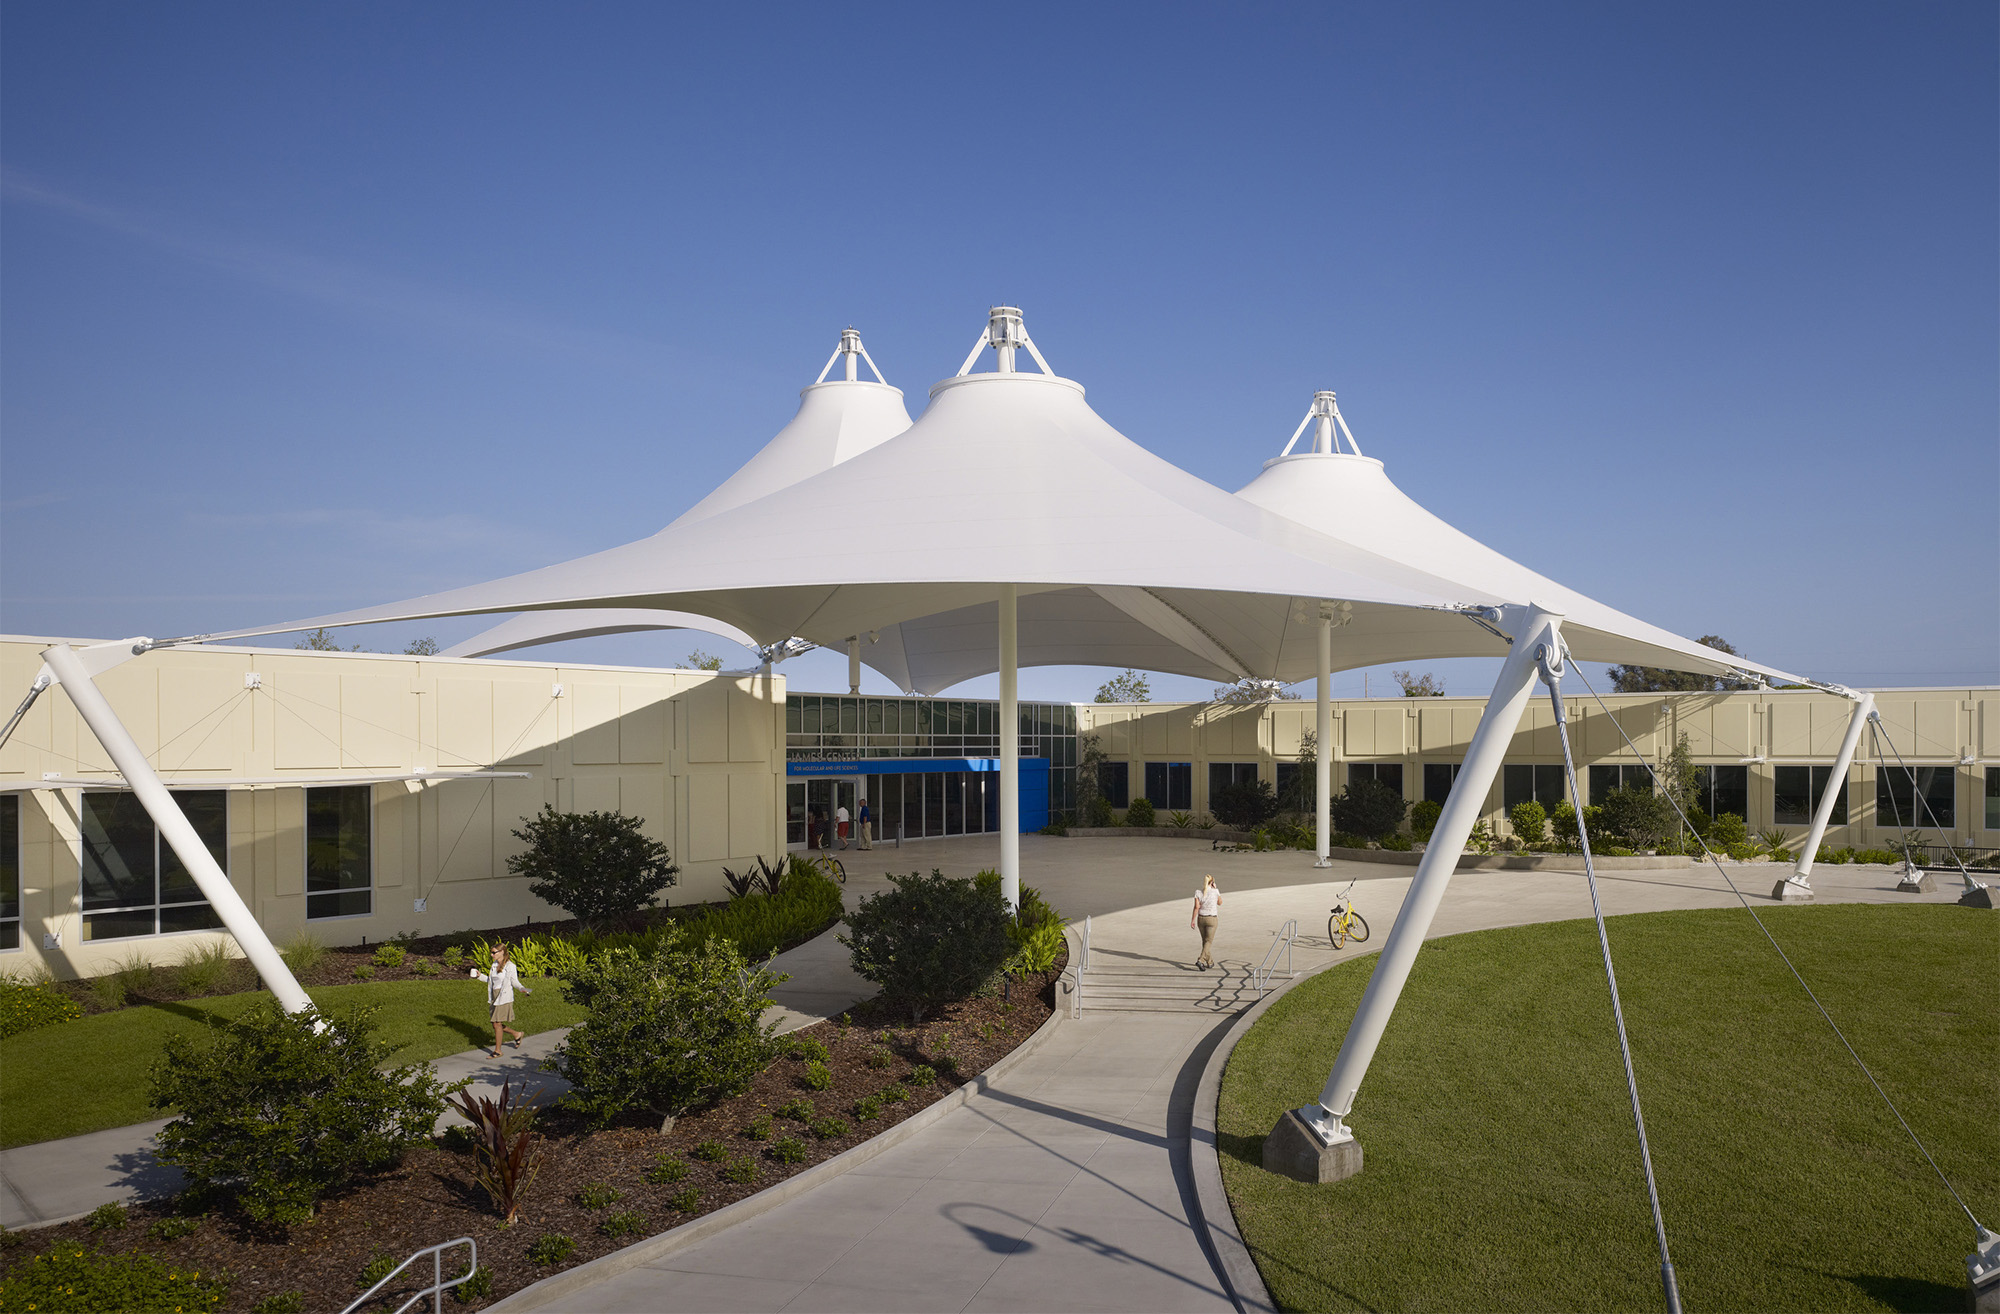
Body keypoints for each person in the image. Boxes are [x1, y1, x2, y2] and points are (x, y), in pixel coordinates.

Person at [470, 941, 532, 1057]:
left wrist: (522, 988)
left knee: (496, 1023)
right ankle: (517, 1034)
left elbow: (514, 981)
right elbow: (491, 981)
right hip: (494, 996)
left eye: (494, 953)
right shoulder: (494, 965)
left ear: (502, 952)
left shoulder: (510, 966)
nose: (492, 955)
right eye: (491, 953)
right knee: (495, 1024)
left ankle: (498, 1051)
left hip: (504, 997)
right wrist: (479, 976)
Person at [1190, 875, 1221, 970]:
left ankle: (1210, 962)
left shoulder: (1198, 893)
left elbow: (1196, 907)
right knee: (1208, 941)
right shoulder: (1215, 891)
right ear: (1212, 883)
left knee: (1205, 941)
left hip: (1201, 919)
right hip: (1212, 919)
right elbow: (1220, 903)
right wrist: (1215, 889)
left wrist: (1193, 920)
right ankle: (1201, 960)